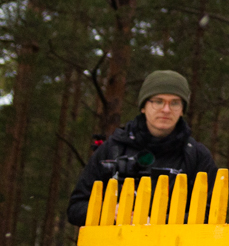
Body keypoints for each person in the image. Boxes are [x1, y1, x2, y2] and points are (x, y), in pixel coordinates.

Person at [66, 70, 218, 227]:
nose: (166, 109)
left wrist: (157, 223)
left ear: (182, 110)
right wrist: (108, 211)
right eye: (158, 101)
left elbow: (211, 215)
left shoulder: (196, 156)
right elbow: (76, 209)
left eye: (174, 103)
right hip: (114, 242)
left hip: (172, 243)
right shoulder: (113, 149)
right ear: (143, 106)